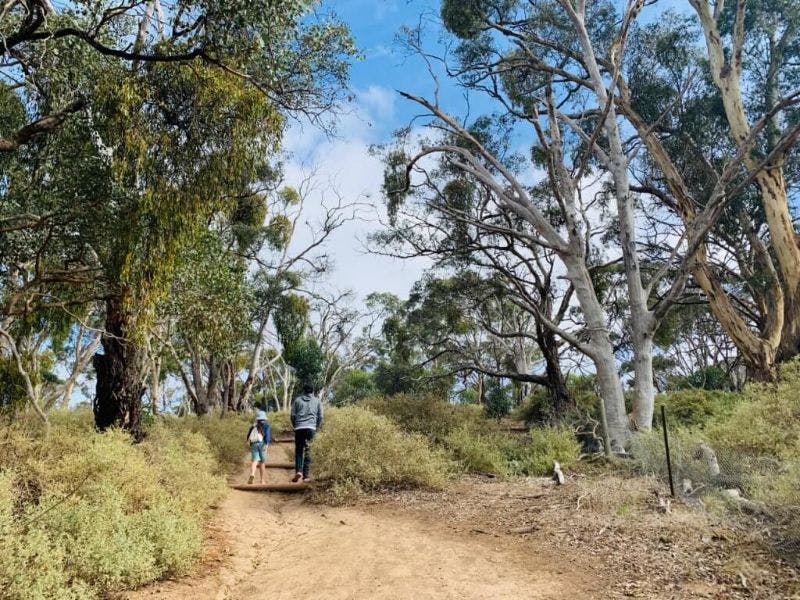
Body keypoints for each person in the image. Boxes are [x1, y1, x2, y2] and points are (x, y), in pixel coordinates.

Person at [291, 383, 323, 483]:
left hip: (299, 427)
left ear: (303, 391)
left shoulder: (297, 400)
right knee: (309, 450)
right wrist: (316, 426)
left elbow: (292, 415)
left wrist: (295, 425)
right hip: (311, 428)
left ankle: (298, 471)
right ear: (313, 391)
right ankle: (306, 476)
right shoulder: (317, 401)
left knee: (299, 451)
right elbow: (321, 416)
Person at [247, 410, 272, 485]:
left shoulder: (253, 426)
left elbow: (248, 435)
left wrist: (248, 442)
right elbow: (267, 436)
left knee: (254, 461)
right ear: (264, 418)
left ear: (257, 419)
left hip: (254, 444)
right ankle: (262, 481)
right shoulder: (266, 426)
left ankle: (252, 474)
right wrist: (266, 445)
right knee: (262, 463)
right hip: (262, 444)